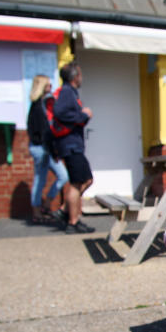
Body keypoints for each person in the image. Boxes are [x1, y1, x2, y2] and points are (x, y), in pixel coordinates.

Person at [52, 62, 95, 233]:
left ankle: (66, 210)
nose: (81, 78)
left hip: (72, 145)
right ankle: (72, 221)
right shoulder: (67, 92)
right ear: (75, 76)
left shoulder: (69, 92)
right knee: (78, 183)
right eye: (80, 74)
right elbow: (60, 112)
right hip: (71, 146)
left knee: (86, 180)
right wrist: (83, 115)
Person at [26, 75, 68, 224]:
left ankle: (45, 205)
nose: (51, 88)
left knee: (63, 176)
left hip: (46, 148)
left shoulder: (44, 104)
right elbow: (44, 132)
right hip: (41, 149)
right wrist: (54, 151)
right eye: (48, 85)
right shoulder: (37, 107)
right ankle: (37, 212)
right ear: (42, 86)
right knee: (40, 180)